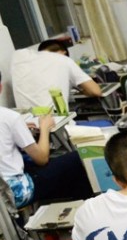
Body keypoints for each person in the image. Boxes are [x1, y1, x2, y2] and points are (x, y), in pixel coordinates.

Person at [0, 69, 93, 207]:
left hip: (4, 190)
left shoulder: (10, 119)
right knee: (76, 158)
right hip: (15, 193)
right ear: (1, 87)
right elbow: (42, 159)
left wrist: (19, 128)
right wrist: (45, 128)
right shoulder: (9, 117)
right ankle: (82, 210)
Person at [10, 39, 103, 110]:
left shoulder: (19, 58)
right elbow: (96, 91)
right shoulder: (64, 60)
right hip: (56, 121)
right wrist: (84, 91)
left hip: (27, 121)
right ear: (64, 52)